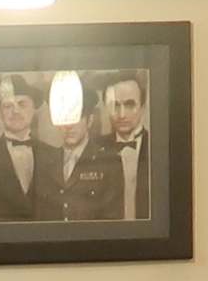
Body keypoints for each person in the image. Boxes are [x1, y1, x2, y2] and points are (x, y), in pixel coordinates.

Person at [61, 73, 151, 223]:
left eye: (129, 105)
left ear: (142, 107)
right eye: (114, 105)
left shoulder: (158, 148)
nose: (122, 114)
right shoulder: (91, 150)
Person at [0, 76, 53, 222]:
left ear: (33, 109)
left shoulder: (53, 155)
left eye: (22, 104)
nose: (15, 111)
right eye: (8, 106)